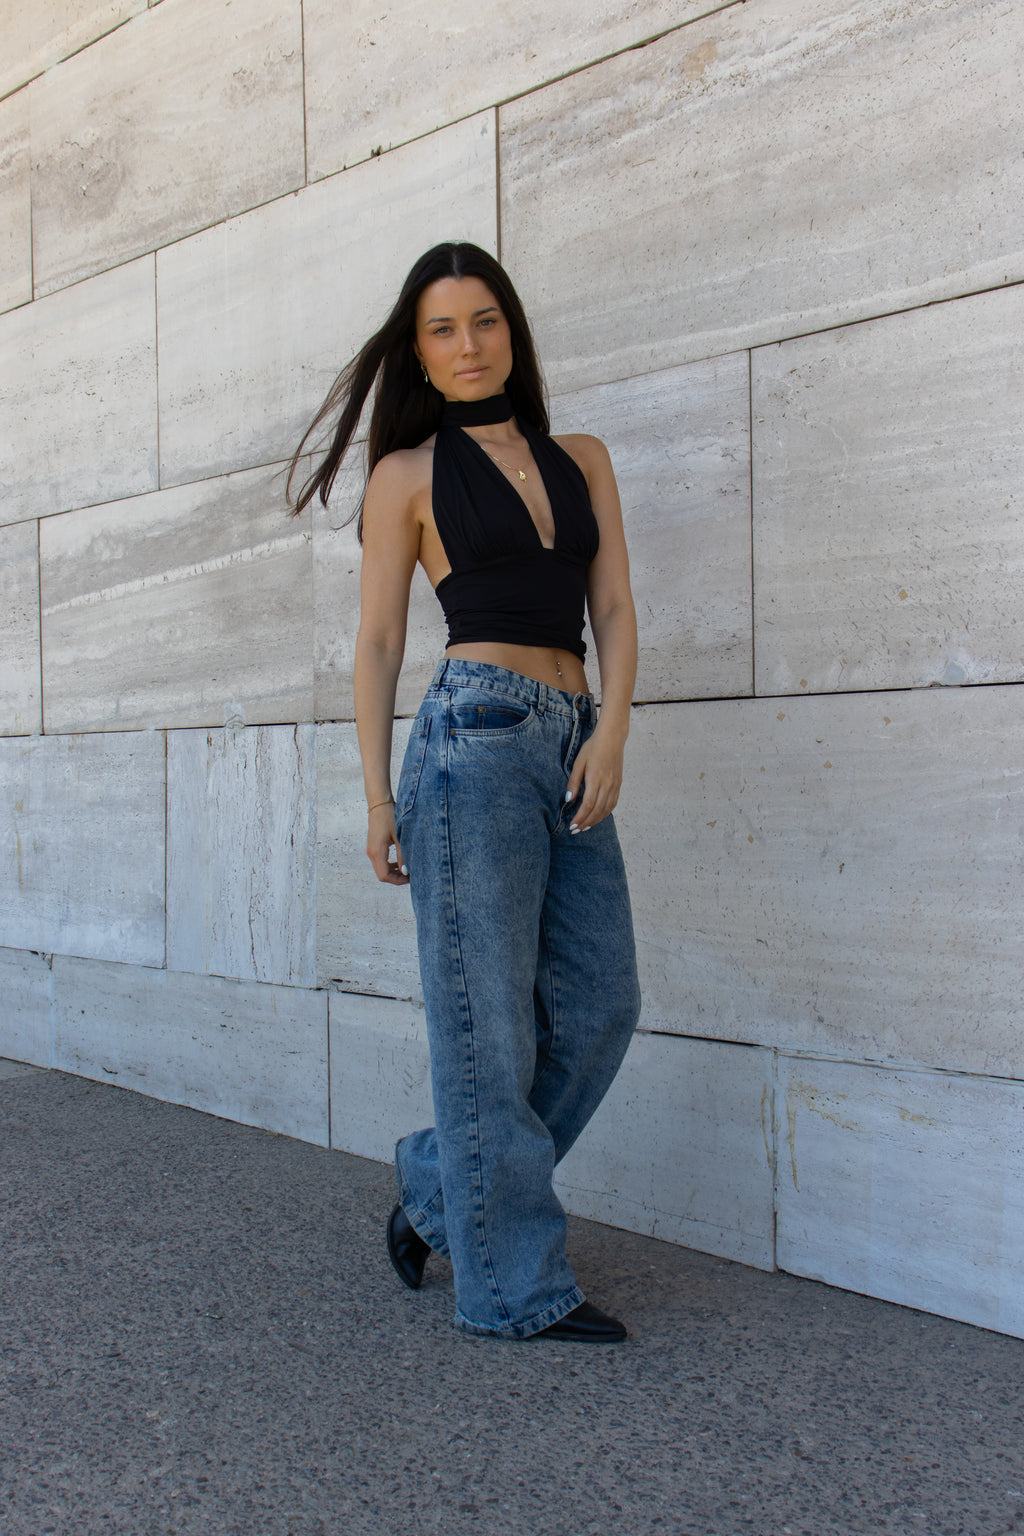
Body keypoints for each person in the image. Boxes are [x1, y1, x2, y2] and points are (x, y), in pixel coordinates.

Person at [290, 242, 641, 1342]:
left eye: (484, 320)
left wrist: (614, 729)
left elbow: (612, 609)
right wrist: (375, 801)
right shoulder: (407, 476)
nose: (468, 345)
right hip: (472, 742)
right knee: (486, 1025)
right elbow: (378, 641)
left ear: (511, 332)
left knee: (599, 1006)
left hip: (572, 737)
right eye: (442, 329)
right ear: (420, 351)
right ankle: (514, 1289)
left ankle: (441, 1193)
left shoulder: (581, 458)